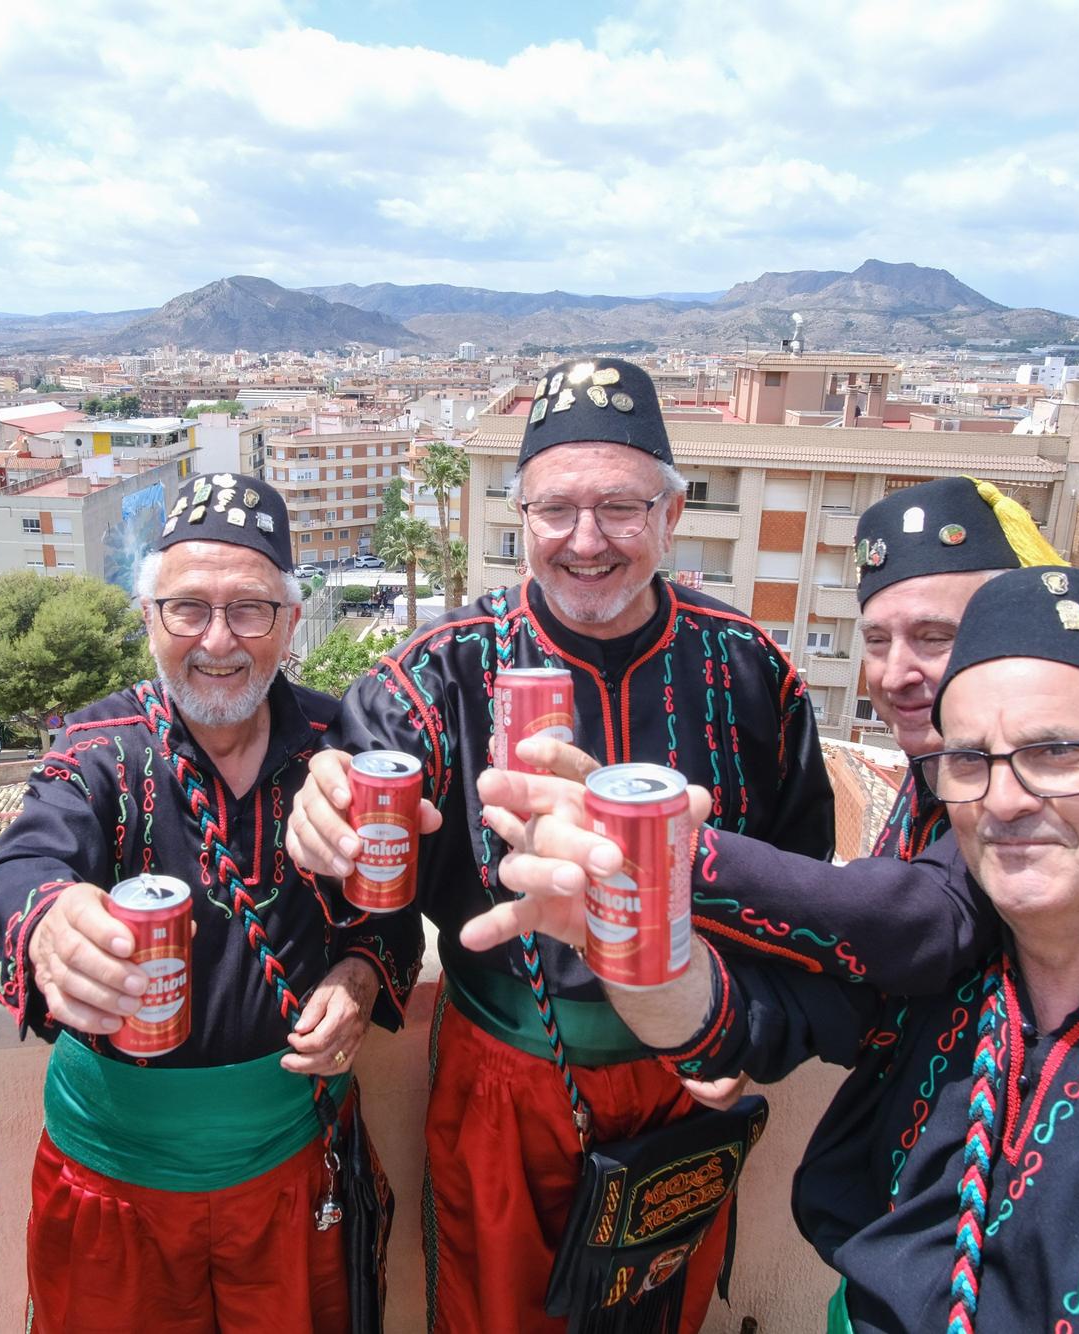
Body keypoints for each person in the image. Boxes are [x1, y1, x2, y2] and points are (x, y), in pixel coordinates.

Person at [476, 565, 1079, 1331]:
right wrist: (631, 942)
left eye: (1057, 753)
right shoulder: (946, 982)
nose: (1007, 799)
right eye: (970, 762)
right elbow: (738, 1022)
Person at [286, 360, 835, 1332]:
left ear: (670, 515)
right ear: (521, 516)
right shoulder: (440, 668)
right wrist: (319, 805)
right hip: (502, 1082)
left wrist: (743, 1032)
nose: (586, 540)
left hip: (687, 1080)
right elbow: (348, 788)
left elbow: (803, 884)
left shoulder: (749, 672)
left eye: (620, 506)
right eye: (555, 509)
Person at [0, 472, 422, 1332]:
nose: (218, 640)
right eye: (186, 610)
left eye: (249, 610)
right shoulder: (99, 749)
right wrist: (50, 924)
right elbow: (10, 871)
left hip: (295, 1167)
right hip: (114, 1188)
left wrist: (359, 977)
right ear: (147, 621)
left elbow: (390, 920)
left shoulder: (339, 743)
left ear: (287, 624)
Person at [638, 475, 1079, 993]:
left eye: (937, 638)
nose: (897, 673)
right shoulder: (929, 777)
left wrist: (665, 850)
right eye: (878, 642)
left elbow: (923, 918)